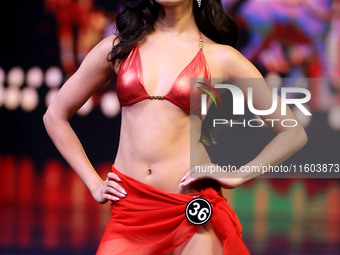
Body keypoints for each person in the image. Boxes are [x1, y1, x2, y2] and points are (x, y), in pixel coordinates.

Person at [43, 0, 308, 254]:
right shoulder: (118, 48)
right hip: (130, 208)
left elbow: (292, 132)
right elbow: (55, 116)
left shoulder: (222, 57)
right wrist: (94, 183)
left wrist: (238, 175)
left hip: (191, 210)